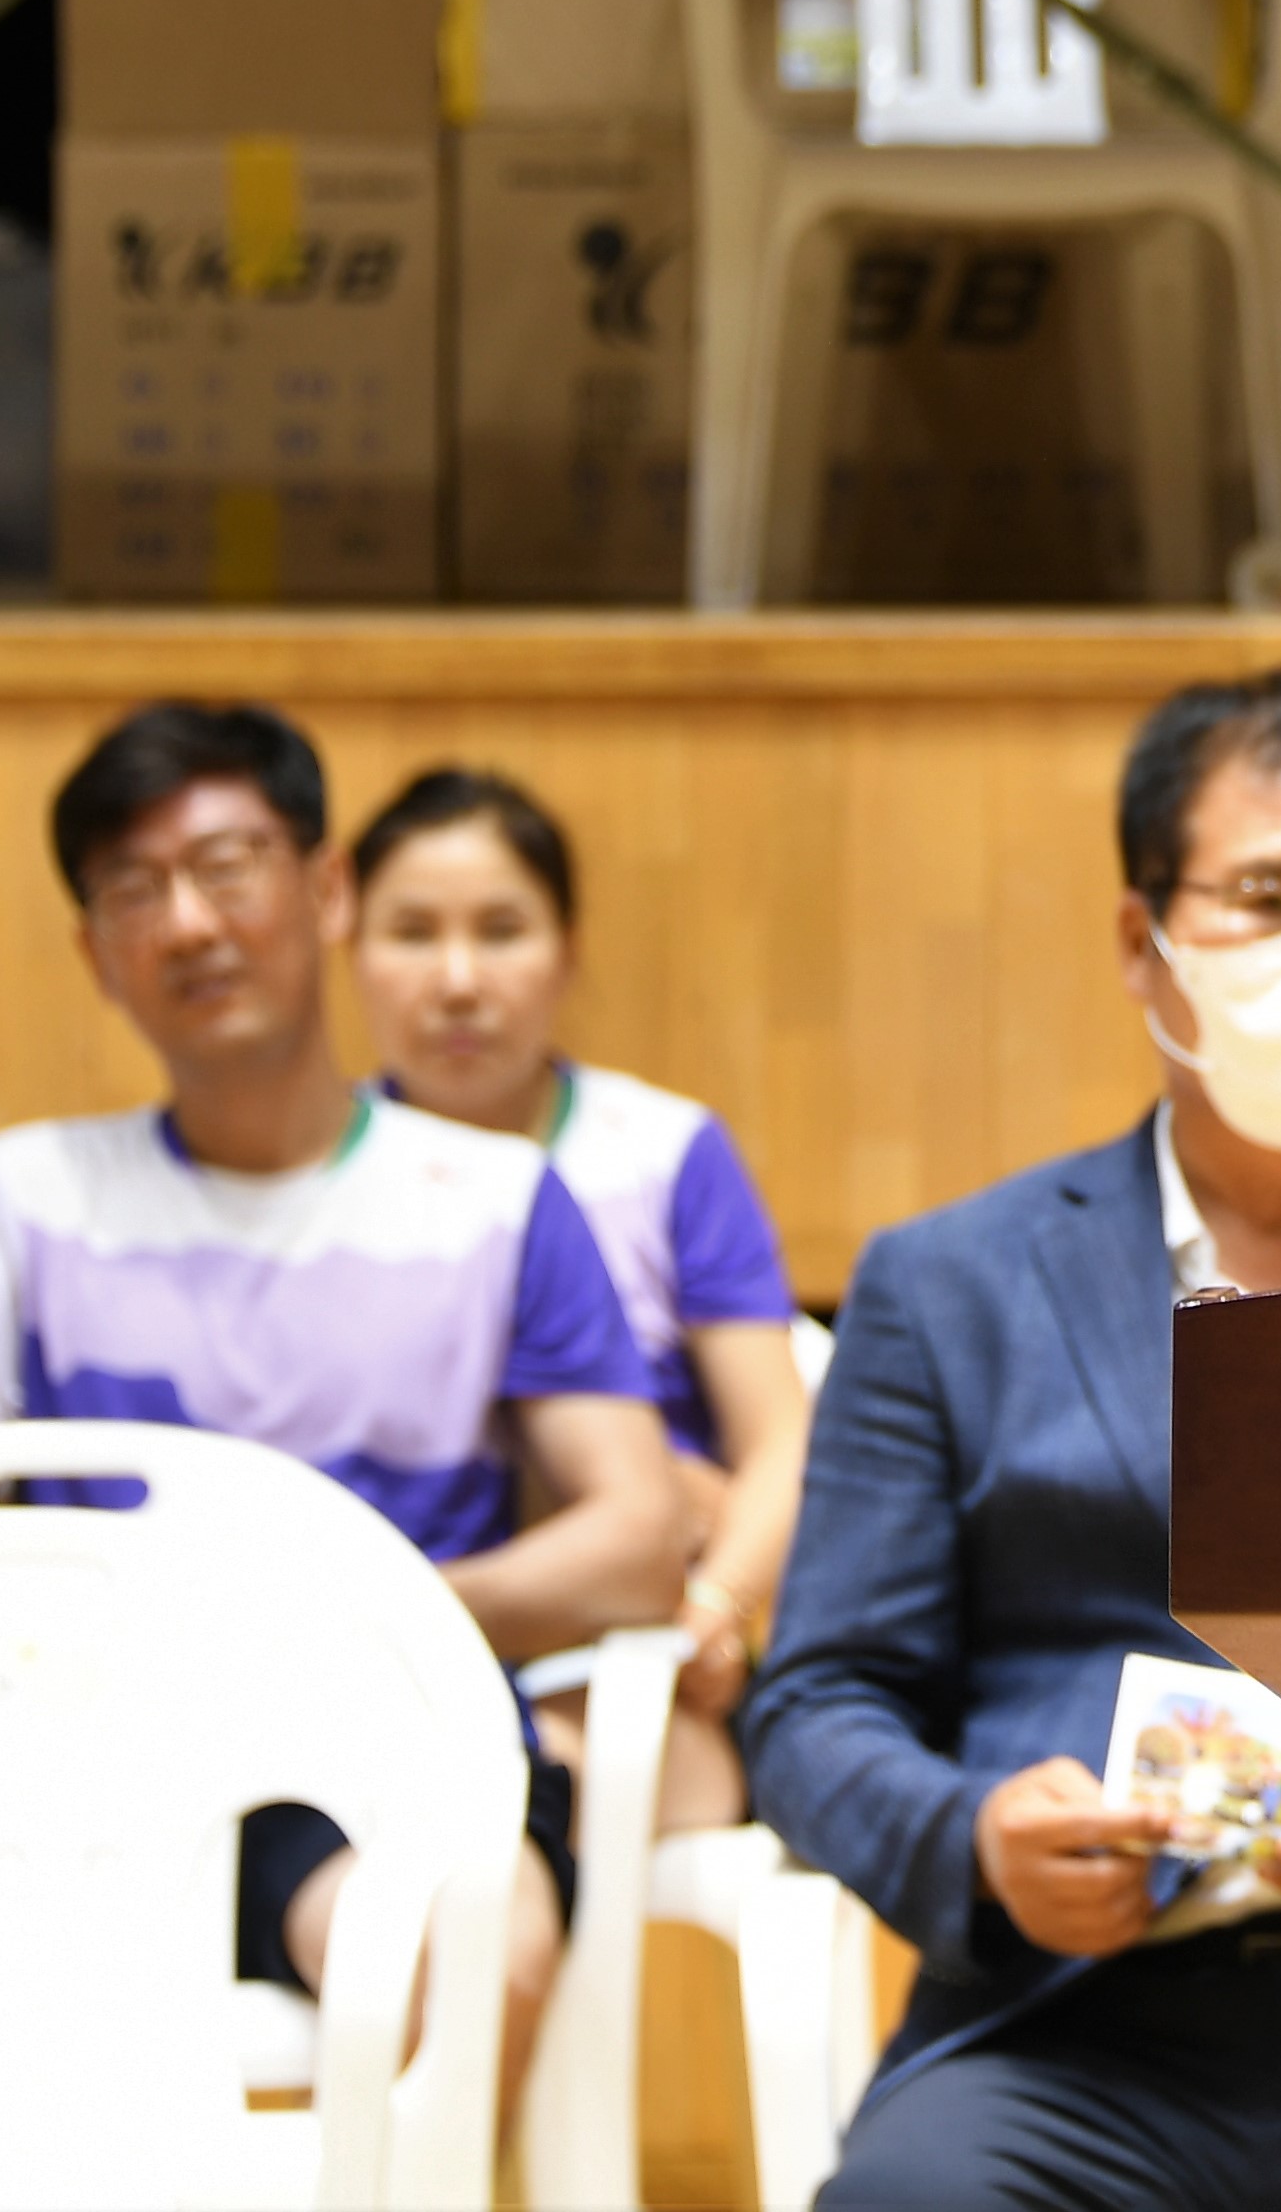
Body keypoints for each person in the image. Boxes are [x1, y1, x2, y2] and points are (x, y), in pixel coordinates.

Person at [743, 663, 1281, 2211]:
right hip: (1060, 2033)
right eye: (1270, 897)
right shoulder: (949, 1284)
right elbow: (817, 1702)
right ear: (1145, 941)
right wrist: (976, 1839)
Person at [0, 701, 681, 2095]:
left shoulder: (492, 1201)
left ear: (327, 890)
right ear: (94, 952)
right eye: (135, 889)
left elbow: (638, 1539)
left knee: (467, 1955)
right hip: (80, 1765)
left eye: (227, 868)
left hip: (392, 1750)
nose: (189, 923)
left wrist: (364, 1618)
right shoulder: (19, 1199)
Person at [351, 761, 814, 1838]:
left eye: (501, 931)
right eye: (411, 933)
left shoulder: (665, 1150)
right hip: (385, 1657)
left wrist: (714, 1609)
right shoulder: (318, 1178)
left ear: (566, 949)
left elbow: (781, 1440)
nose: (457, 979)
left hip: (638, 1658)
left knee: (501, 1802)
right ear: (349, 946)